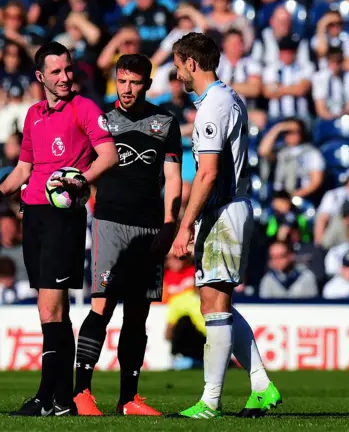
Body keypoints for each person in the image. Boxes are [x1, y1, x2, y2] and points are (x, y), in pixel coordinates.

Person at [0, 42, 118, 416]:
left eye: (68, 70)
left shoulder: (85, 108)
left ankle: (47, 397)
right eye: (56, 72)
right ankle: (61, 399)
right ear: (40, 77)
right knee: (52, 311)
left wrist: (82, 180)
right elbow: (23, 169)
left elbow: (109, 154)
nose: (65, 77)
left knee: (51, 309)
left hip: (63, 216)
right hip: (32, 214)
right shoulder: (33, 114)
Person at [170, 32, 281, 419]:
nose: (176, 71)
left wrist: (185, 226)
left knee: (214, 303)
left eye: (178, 63)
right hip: (231, 208)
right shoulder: (228, 97)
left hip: (223, 211)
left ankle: (210, 401)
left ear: (191, 63)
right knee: (216, 302)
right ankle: (261, 385)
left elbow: (207, 172)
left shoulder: (212, 107)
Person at [71, 54, 182, 416]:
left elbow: (173, 180)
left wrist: (169, 225)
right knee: (102, 305)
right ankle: (81, 392)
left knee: (138, 315)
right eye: (122, 81)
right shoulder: (102, 119)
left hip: (150, 226)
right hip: (111, 223)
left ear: (148, 84)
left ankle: (128, 399)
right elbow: (86, 165)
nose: (127, 88)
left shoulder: (165, 122)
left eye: (135, 82)